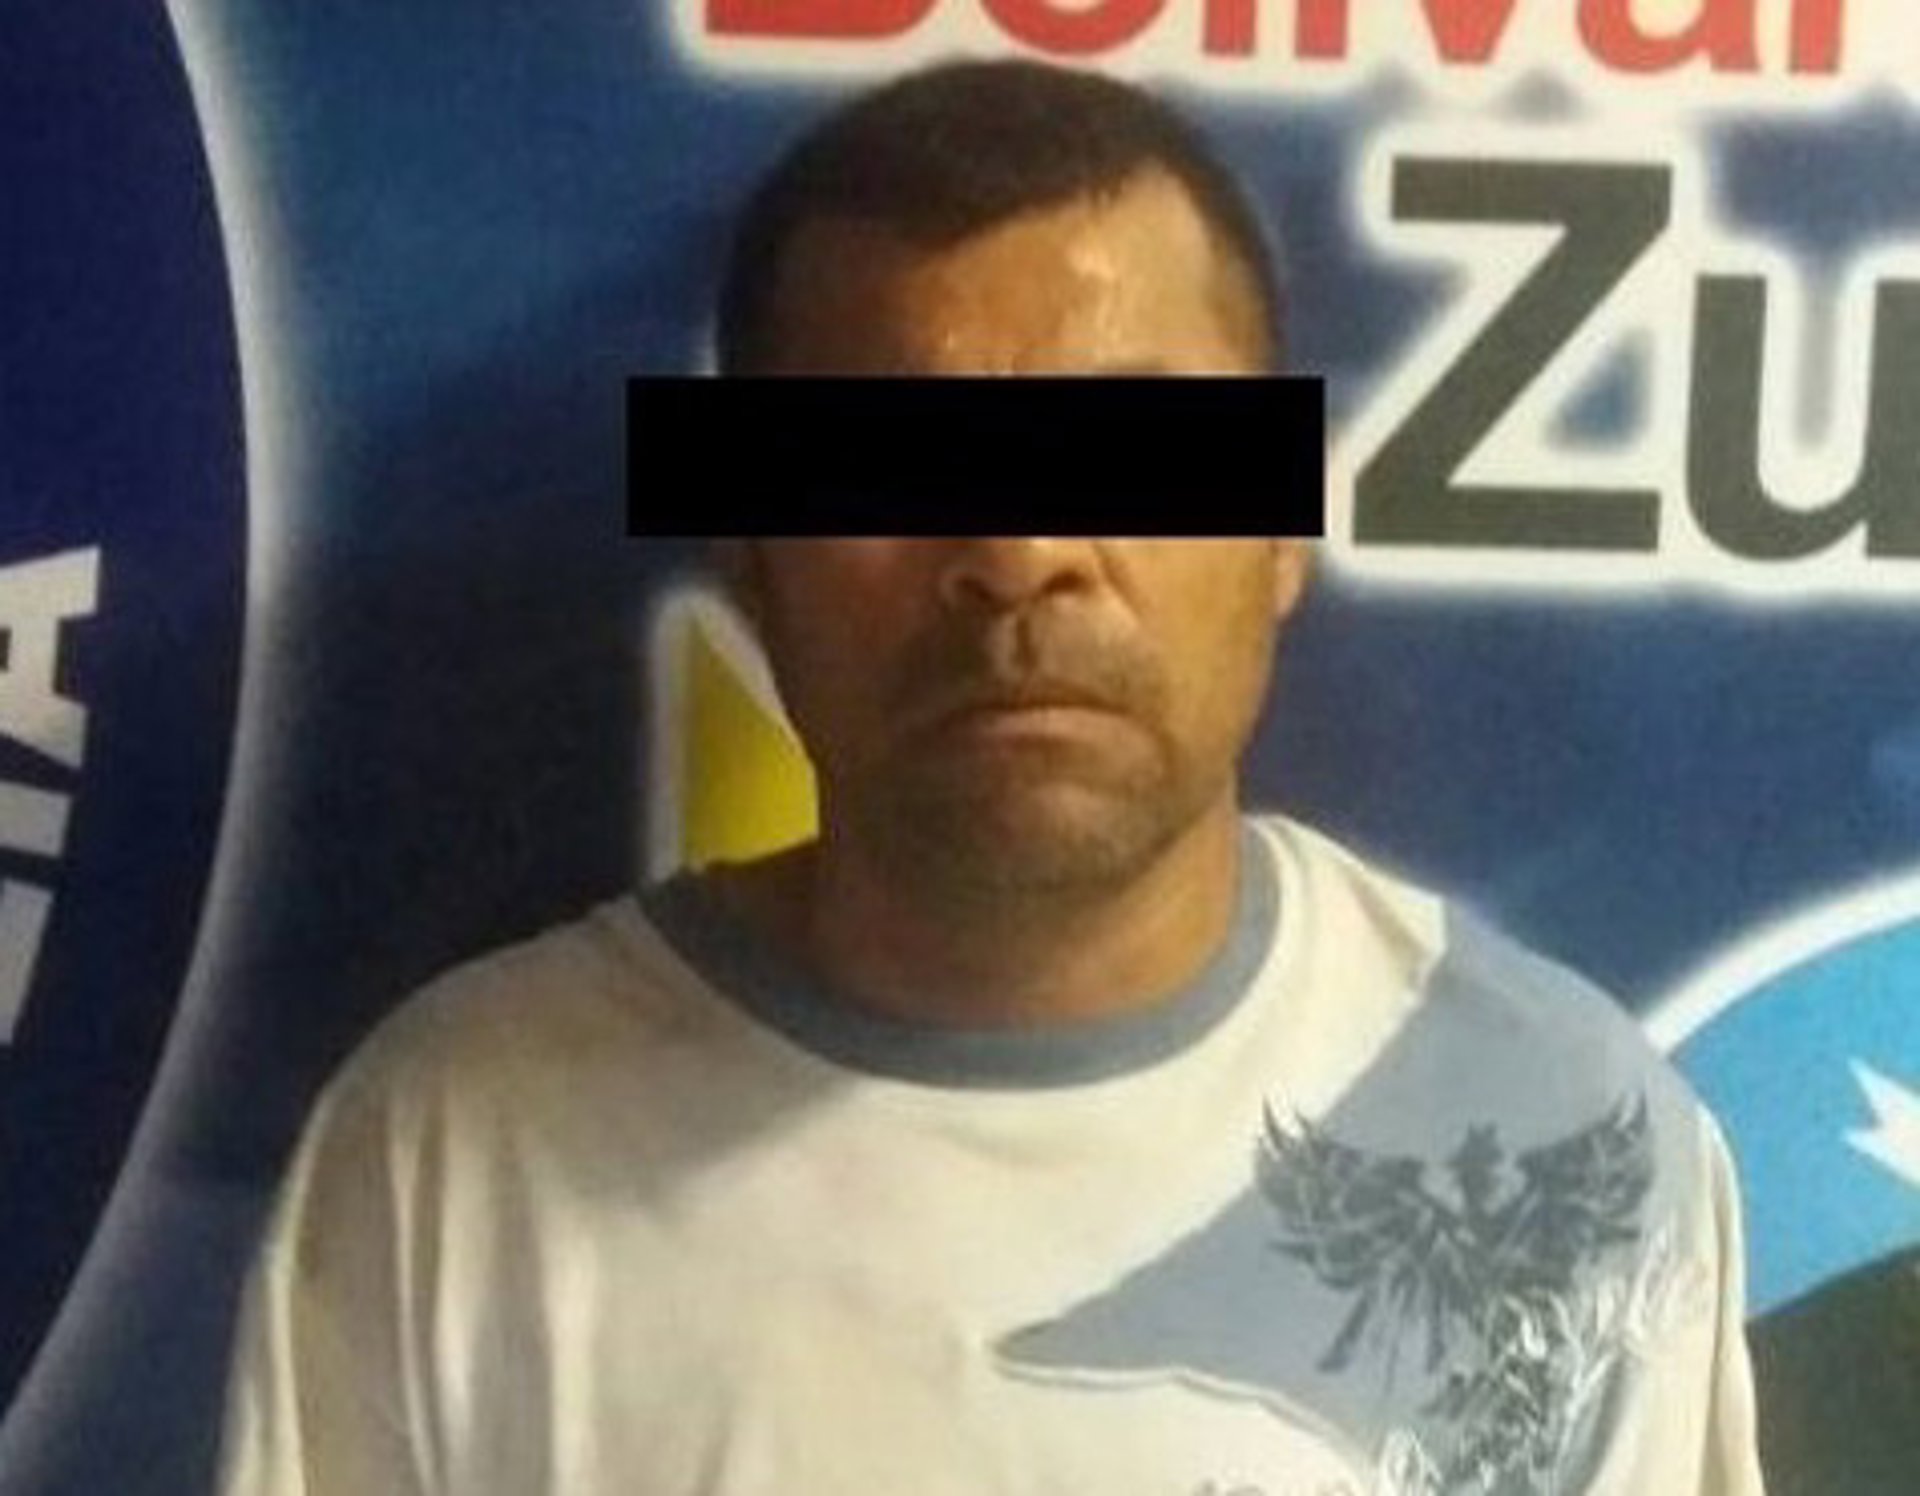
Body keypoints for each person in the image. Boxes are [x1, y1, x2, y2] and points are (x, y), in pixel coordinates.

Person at [219, 59, 1765, 1496]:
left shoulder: (1564, 1144)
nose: (1021, 554)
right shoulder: (456, 1156)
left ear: (1284, 529)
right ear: (749, 558)